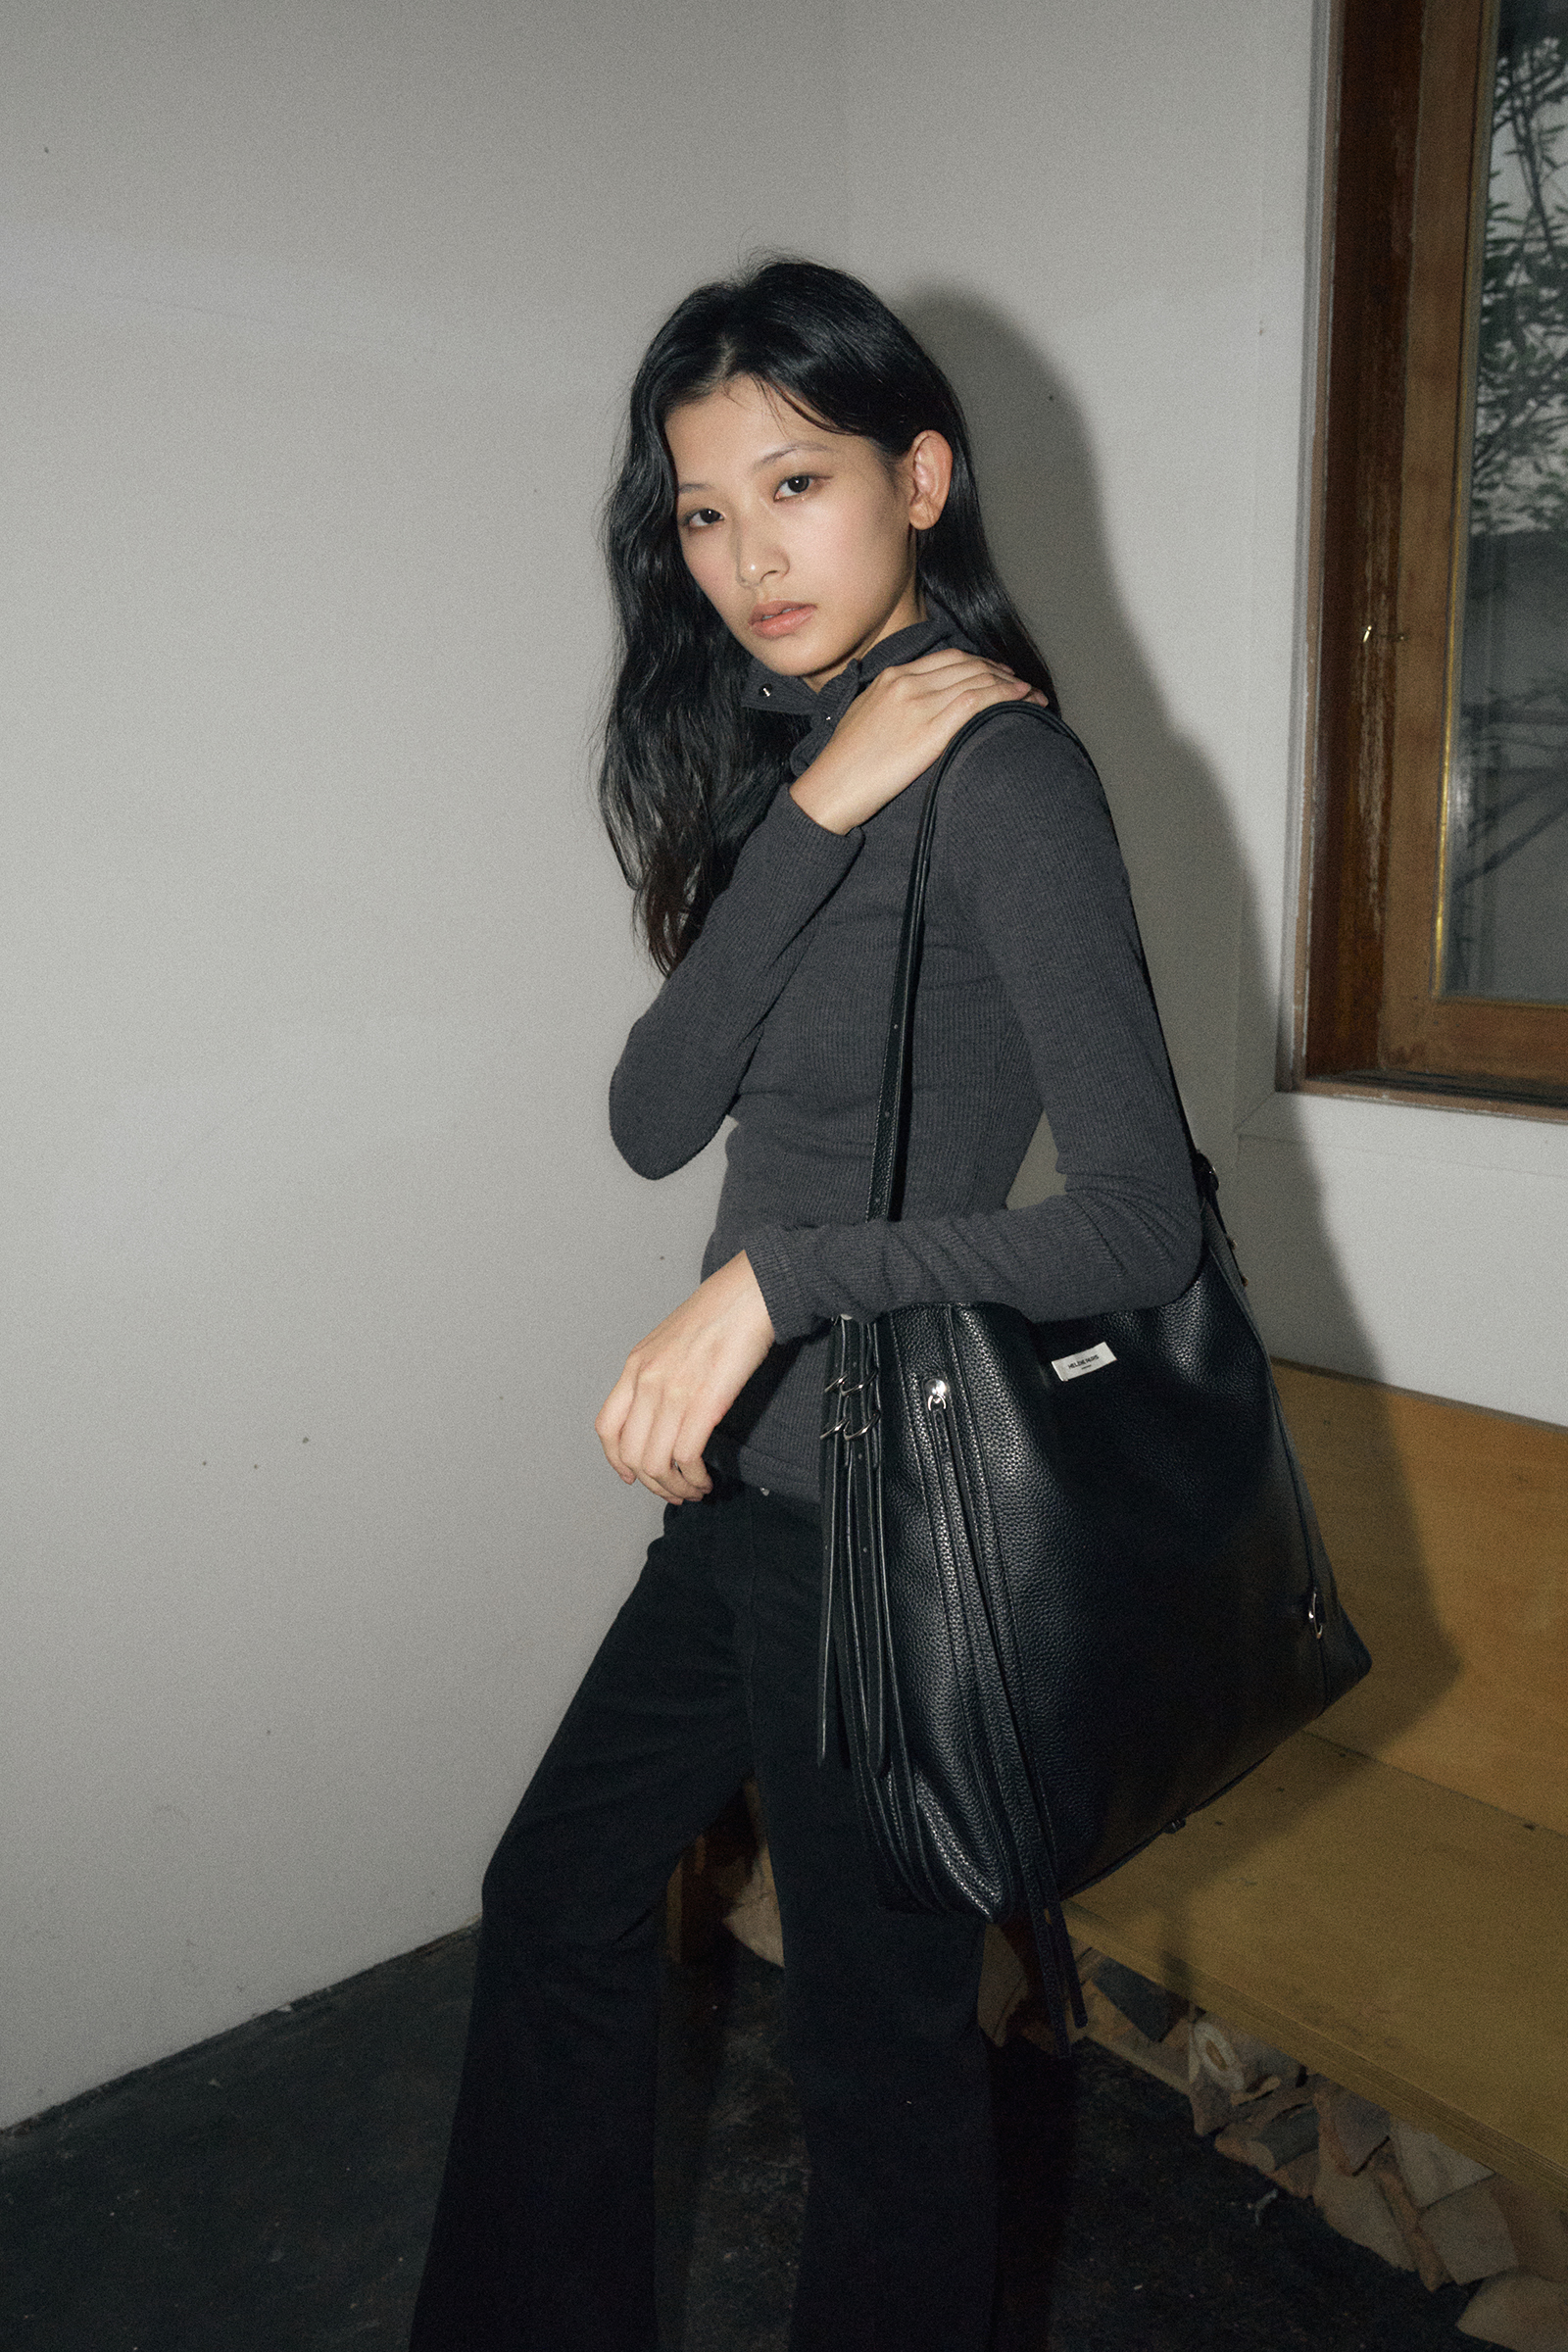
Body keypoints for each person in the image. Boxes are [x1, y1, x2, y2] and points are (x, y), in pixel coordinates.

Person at [409, 258, 1200, 2352]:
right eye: (702, 508)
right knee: (557, 1896)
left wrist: (780, 1282)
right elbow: (650, 1117)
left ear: (918, 480)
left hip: (882, 1523)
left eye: (797, 482)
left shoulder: (1010, 782)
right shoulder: (817, 765)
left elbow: (1137, 1224)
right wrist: (819, 816)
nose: (748, 554)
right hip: (748, 1508)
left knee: (879, 2067)